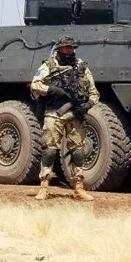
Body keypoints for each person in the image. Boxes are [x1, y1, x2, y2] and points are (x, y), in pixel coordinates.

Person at [30, 35, 100, 201]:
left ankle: (78, 187)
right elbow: (35, 83)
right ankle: (44, 187)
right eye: (65, 48)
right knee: (50, 150)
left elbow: (94, 92)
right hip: (55, 112)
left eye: (71, 48)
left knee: (78, 151)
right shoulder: (50, 65)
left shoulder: (81, 66)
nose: (68, 50)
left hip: (75, 113)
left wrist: (88, 105)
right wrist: (53, 90)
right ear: (59, 49)